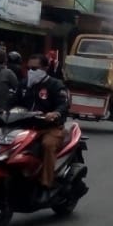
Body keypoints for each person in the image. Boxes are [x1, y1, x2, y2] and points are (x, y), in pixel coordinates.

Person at [10, 53, 70, 188]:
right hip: (26, 127)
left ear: (45, 68)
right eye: (29, 68)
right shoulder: (24, 84)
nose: (31, 71)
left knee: (48, 145)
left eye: (35, 68)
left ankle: (47, 182)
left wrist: (55, 113)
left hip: (49, 127)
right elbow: (12, 101)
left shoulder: (55, 85)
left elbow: (63, 104)